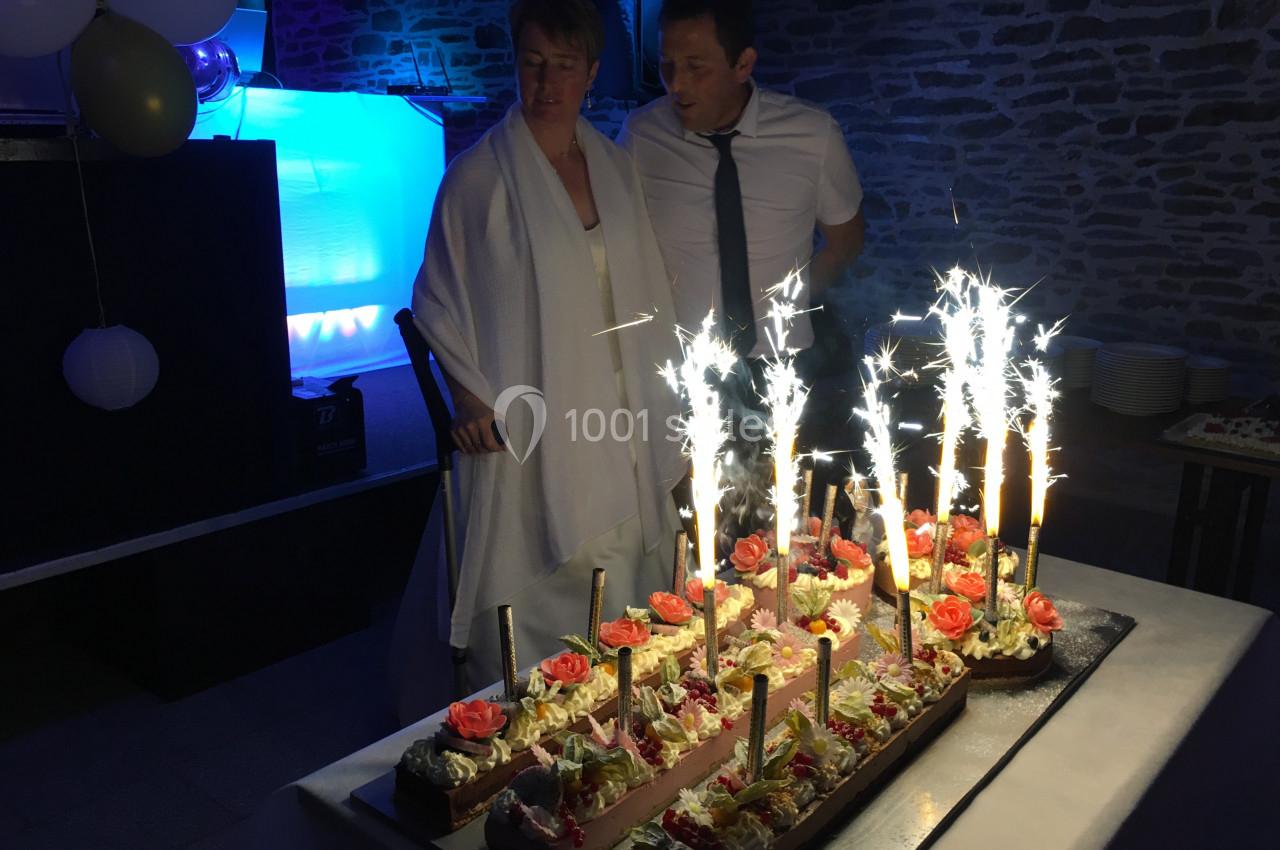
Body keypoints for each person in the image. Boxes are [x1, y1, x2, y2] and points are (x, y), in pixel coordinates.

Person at [390, 0, 687, 723]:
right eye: (532, 62)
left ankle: (624, 711)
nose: (547, 81)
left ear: (590, 71)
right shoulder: (478, 179)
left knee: (627, 570)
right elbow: (438, 297)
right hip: (531, 411)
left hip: (616, 408)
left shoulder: (615, 169)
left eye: (564, 65)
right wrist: (468, 399)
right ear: (515, 64)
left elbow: (644, 283)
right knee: (540, 583)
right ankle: (530, 723)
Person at [618, 0, 865, 550]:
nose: (677, 84)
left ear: (743, 64)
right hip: (682, 372)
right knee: (695, 537)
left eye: (696, 66)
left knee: (782, 534)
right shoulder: (641, 137)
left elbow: (846, 239)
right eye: (666, 66)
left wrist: (789, 301)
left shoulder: (811, 134)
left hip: (779, 365)